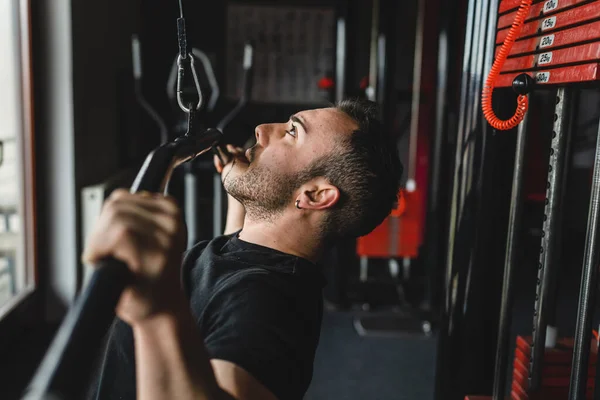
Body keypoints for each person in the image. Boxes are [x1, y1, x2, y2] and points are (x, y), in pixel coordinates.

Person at [83, 99, 403, 400]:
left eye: (292, 132)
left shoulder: (269, 305)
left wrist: (156, 311)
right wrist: (240, 194)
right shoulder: (255, 261)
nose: (262, 130)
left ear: (316, 195)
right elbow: (227, 273)